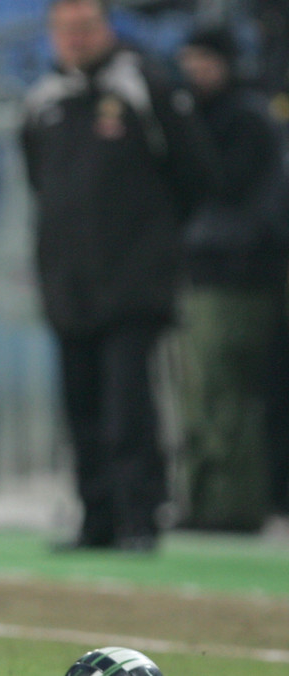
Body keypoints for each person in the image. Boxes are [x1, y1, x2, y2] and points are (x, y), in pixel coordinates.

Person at [21, 0, 215, 552]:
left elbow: (196, 173)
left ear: (107, 28)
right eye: (64, 29)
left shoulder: (144, 86)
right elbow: (38, 179)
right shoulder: (44, 98)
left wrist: (152, 241)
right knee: (80, 404)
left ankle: (139, 517)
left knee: (129, 404)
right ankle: (96, 517)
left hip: (134, 280)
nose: (75, 39)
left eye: (85, 27)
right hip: (68, 281)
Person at [175, 25, 289, 533]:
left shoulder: (245, 119)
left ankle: (231, 507)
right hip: (207, 272)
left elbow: (227, 193)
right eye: (189, 58)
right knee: (203, 394)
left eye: (205, 59)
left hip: (239, 275)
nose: (196, 69)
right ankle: (203, 502)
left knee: (226, 393)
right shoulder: (206, 114)